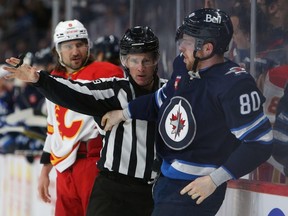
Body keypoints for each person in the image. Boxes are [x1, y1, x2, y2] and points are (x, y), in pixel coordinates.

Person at [100, 8, 274, 215]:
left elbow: (260, 143)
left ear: (207, 48)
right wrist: (123, 113)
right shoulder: (184, 68)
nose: (181, 47)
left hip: (194, 189)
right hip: (166, 179)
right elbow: (161, 100)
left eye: (188, 42)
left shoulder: (235, 85)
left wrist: (214, 180)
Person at [3, 26, 167, 216]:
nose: (140, 67)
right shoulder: (113, 90)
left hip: (152, 190)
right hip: (111, 188)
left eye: (147, 60)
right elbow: (74, 92)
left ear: (156, 60)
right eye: (134, 60)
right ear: (125, 61)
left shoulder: (170, 92)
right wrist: (39, 79)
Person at [33, 20, 124, 216]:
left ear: (88, 46)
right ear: (58, 49)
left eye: (80, 44)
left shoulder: (106, 72)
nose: (75, 51)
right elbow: (53, 128)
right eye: (68, 46)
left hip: (95, 162)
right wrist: (44, 171)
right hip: (64, 168)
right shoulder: (53, 78)